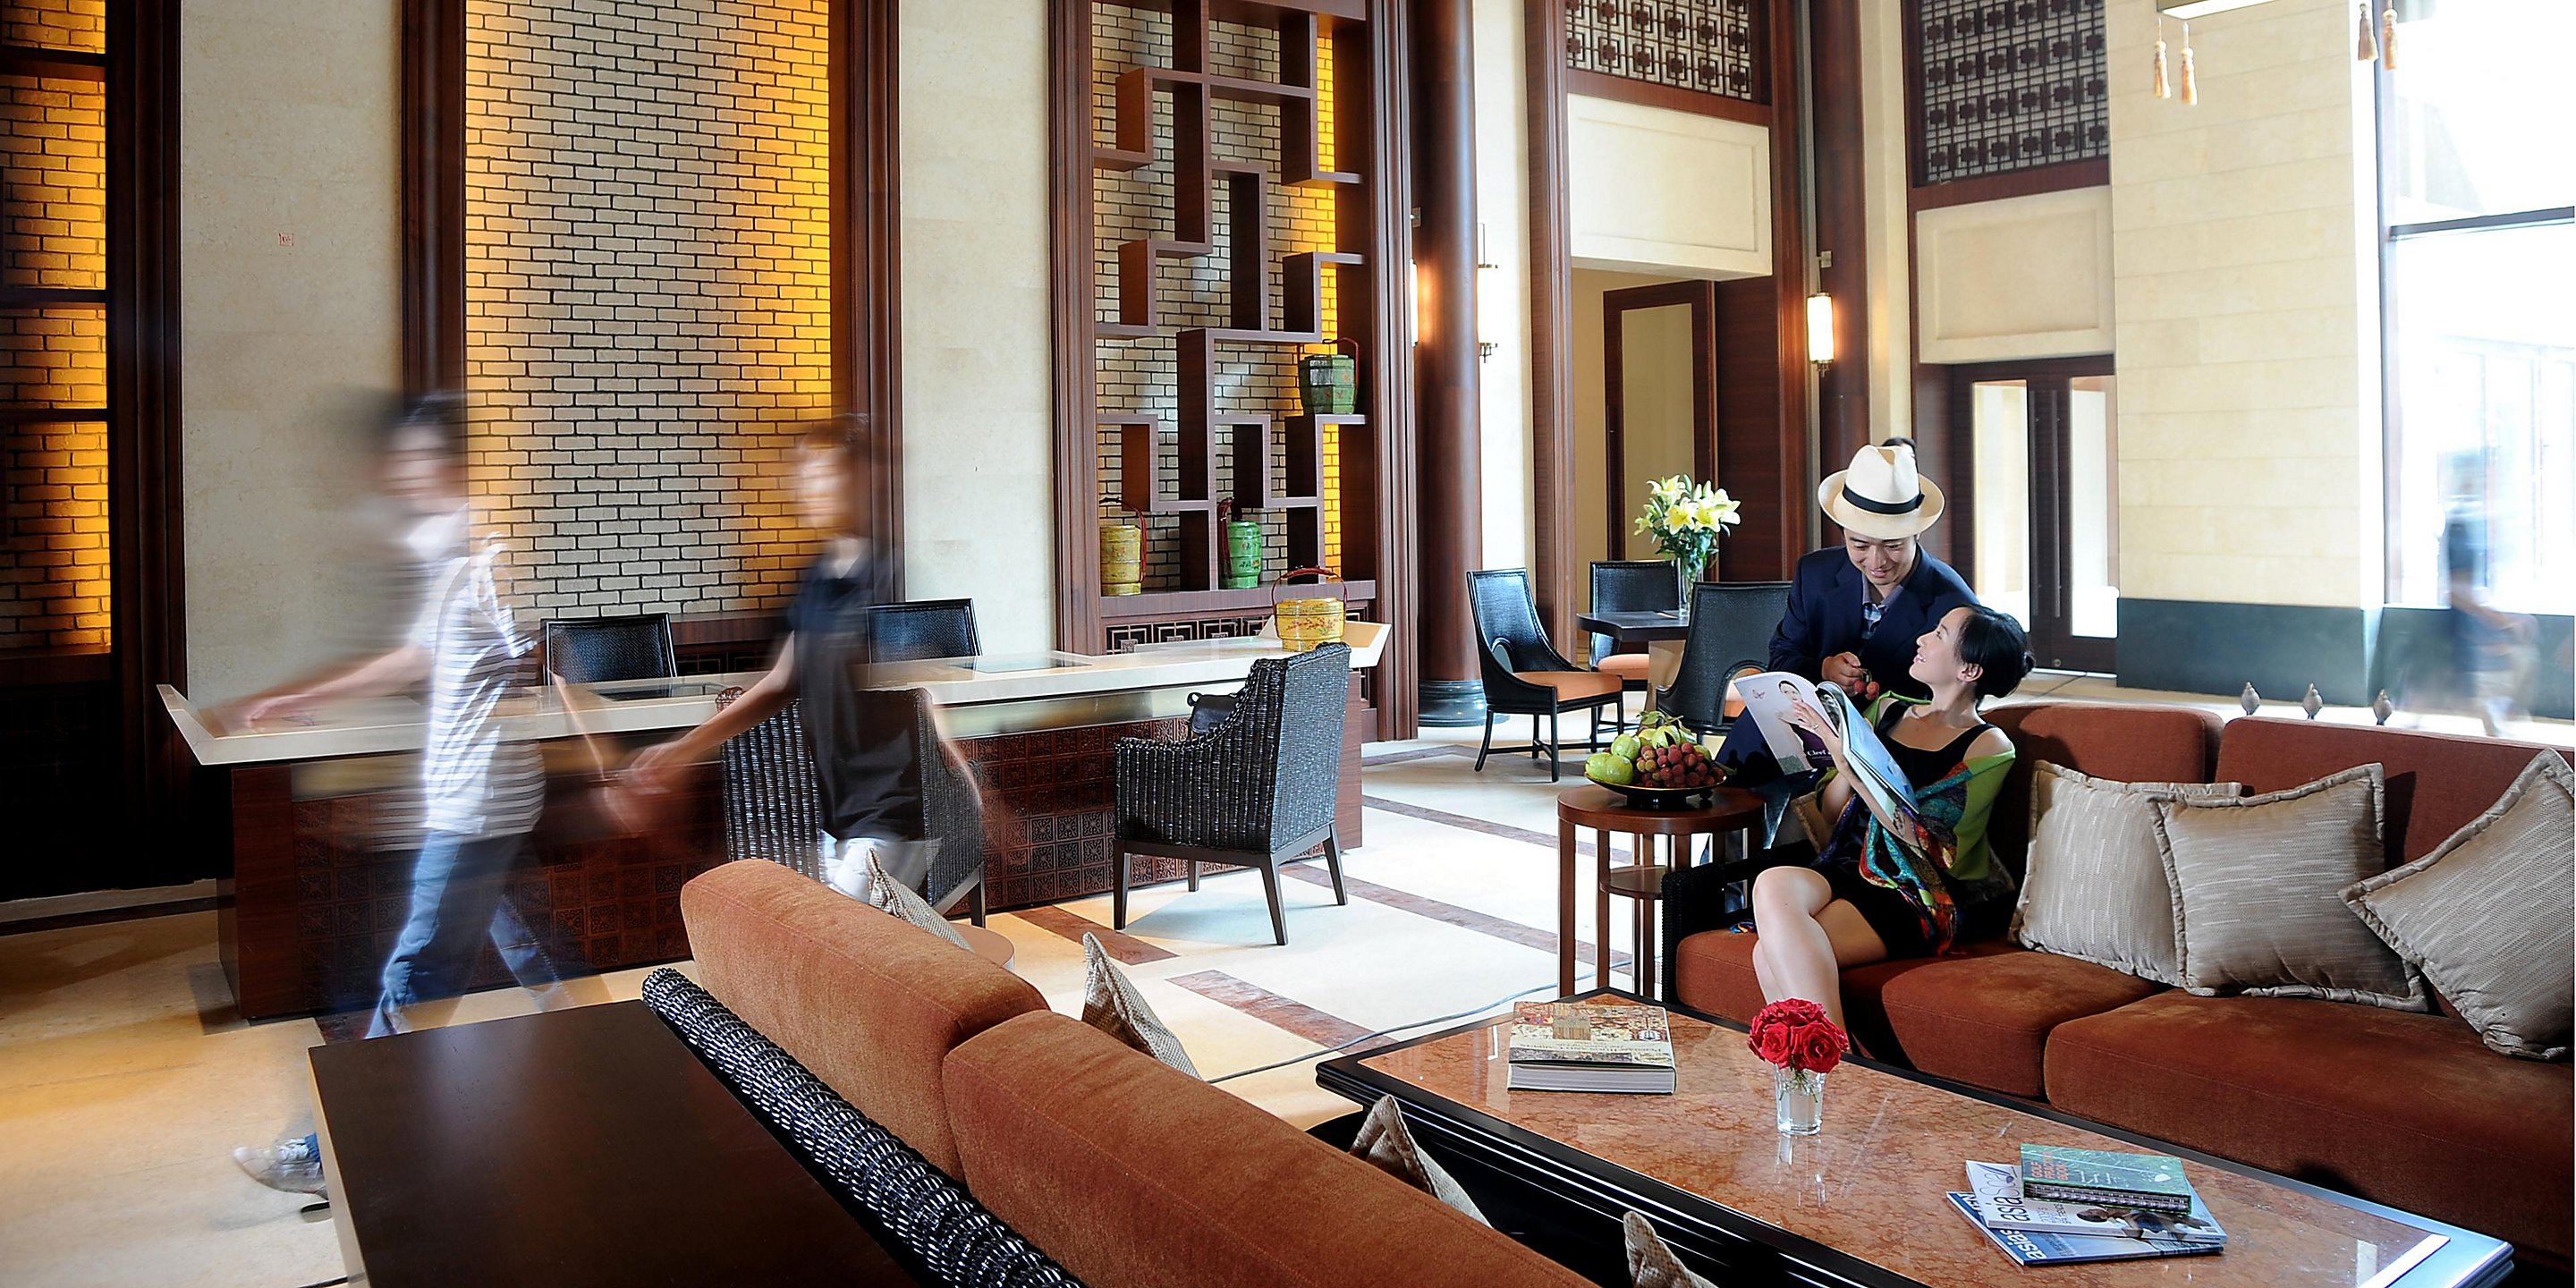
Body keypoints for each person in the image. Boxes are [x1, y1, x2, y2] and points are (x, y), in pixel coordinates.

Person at [231, 394, 599, 1196]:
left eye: (416, 458)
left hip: (476, 809)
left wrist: (597, 748)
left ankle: (334, 1153)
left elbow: (544, 658)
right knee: (541, 956)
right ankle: (625, 1078)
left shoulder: (486, 556)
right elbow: (414, 659)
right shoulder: (449, 561)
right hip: (479, 804)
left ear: (450, 462)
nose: (402, 473)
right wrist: (305, 695)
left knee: (414, 978)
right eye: (398, 459)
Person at [625, 414, 931, 896]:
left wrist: (984, 800)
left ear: (862, 478)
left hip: (893, 811)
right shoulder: (818, 575)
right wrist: (681, 750)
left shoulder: (890, 576)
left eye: (822, 473)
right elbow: (779, 682)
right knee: (866, 941)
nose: (807, 488)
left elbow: (929, 695)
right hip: (841, 815)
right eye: (804, 474)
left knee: (842, 937)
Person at [1748, 604, 2034, 1030]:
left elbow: (1930, 841)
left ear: (1969, 670)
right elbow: (1830, 815)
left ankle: (1824, 1057)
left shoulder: (1989, 746)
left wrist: (1850, 764)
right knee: (1772, 882)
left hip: (1913, 887)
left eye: (1939, 634)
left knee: (1767, 953)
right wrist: (1839, 752)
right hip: (1846, 865)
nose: (1922, 639)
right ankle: (1834, 1056)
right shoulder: (1887, 709)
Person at [1714, 438, 1978, 775]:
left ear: (1917, 534)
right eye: (1860, 545)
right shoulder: (1815, 574)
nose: (1877, 562)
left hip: (1890, 739)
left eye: (1892, 546)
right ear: (1843, 534)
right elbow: (1782, 657)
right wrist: (1824, 669)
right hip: (1800, 721)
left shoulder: (1953, 603)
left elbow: (1960, 700)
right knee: (1736, 768)